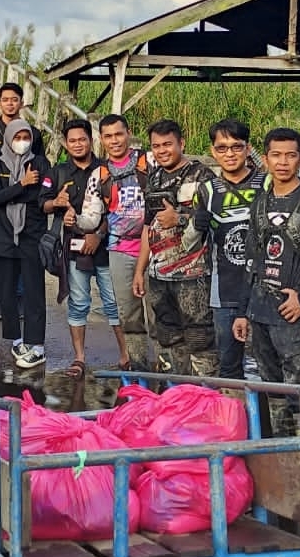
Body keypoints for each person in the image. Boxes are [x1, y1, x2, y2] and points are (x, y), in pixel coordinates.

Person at [234, 127, 300, 438]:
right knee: (273, 391)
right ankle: (282, 456)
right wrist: (243, 311)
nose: (283, 162)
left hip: (293, 316)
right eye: (276, 155)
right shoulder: (260, 202)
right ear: (265, 159)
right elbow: (250, 260)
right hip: (259, 312)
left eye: (291, 155)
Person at [134, 119, 215, 376]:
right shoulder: (154, 177)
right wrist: (140, 270)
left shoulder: (202, 175)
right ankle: (178, 396)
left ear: (181, 143)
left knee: (201, 341)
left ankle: (206, 400)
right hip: (159, 276)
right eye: (156, 146)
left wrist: (179, 217)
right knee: (168, 339)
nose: (162, 151)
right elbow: (149, 226)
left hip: (194, 276)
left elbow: (215, 219)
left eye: (167, 144)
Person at [75, 114, 150, 369]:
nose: (114, 141)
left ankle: (168, 373)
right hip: (120, 249)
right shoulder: (100, 174)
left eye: (119, 134)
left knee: (161, 315)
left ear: (128, 133)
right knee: (128, 315)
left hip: (157, 247)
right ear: (102, 139)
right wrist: (72, 217)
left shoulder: (148, 161)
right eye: (108, 136)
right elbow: (91, 217)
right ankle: (139, 367)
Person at [49, 118, 121, 377]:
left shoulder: (107, 171)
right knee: (79, 302)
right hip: (74, 247)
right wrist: (57, 204)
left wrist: (99, 235)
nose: (78, 144)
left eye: (82, 139)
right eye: (72, 141)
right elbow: (42, 204)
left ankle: (126, 357)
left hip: (107, 246)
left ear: (92, 141)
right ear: (65, 144)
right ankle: (79, 358)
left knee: (115, 303)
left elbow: (120, 211)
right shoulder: (59, 172)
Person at [0, 119, 53, 369]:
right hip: (3, 237)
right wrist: (21, 185)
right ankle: (17, 340)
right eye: (18, 137)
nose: (22, 141)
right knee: (7, 292)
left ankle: (38, 346)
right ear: (9, 138)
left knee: (35, 291)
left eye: (26, 137)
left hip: (31, 235)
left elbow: (42, 197)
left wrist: (11, 193)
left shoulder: (42, 163)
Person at [197, 118, 261, 379]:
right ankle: (235, 418)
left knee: (275, 366)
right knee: (229, 366)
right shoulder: (207, 190)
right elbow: (191, 242)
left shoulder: (267, 184)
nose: (230, 154)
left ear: (248, 149)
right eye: (222, 148)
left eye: (236, 147)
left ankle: (278, 420)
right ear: (213, 151)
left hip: (265, 289)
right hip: (224, 291)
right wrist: (193, 225)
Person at [0, 82, 45, 157]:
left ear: (21, 104)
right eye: (5, 100)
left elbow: (42, 163)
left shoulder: (33, 133)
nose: (9, 103)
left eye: (14, 100)